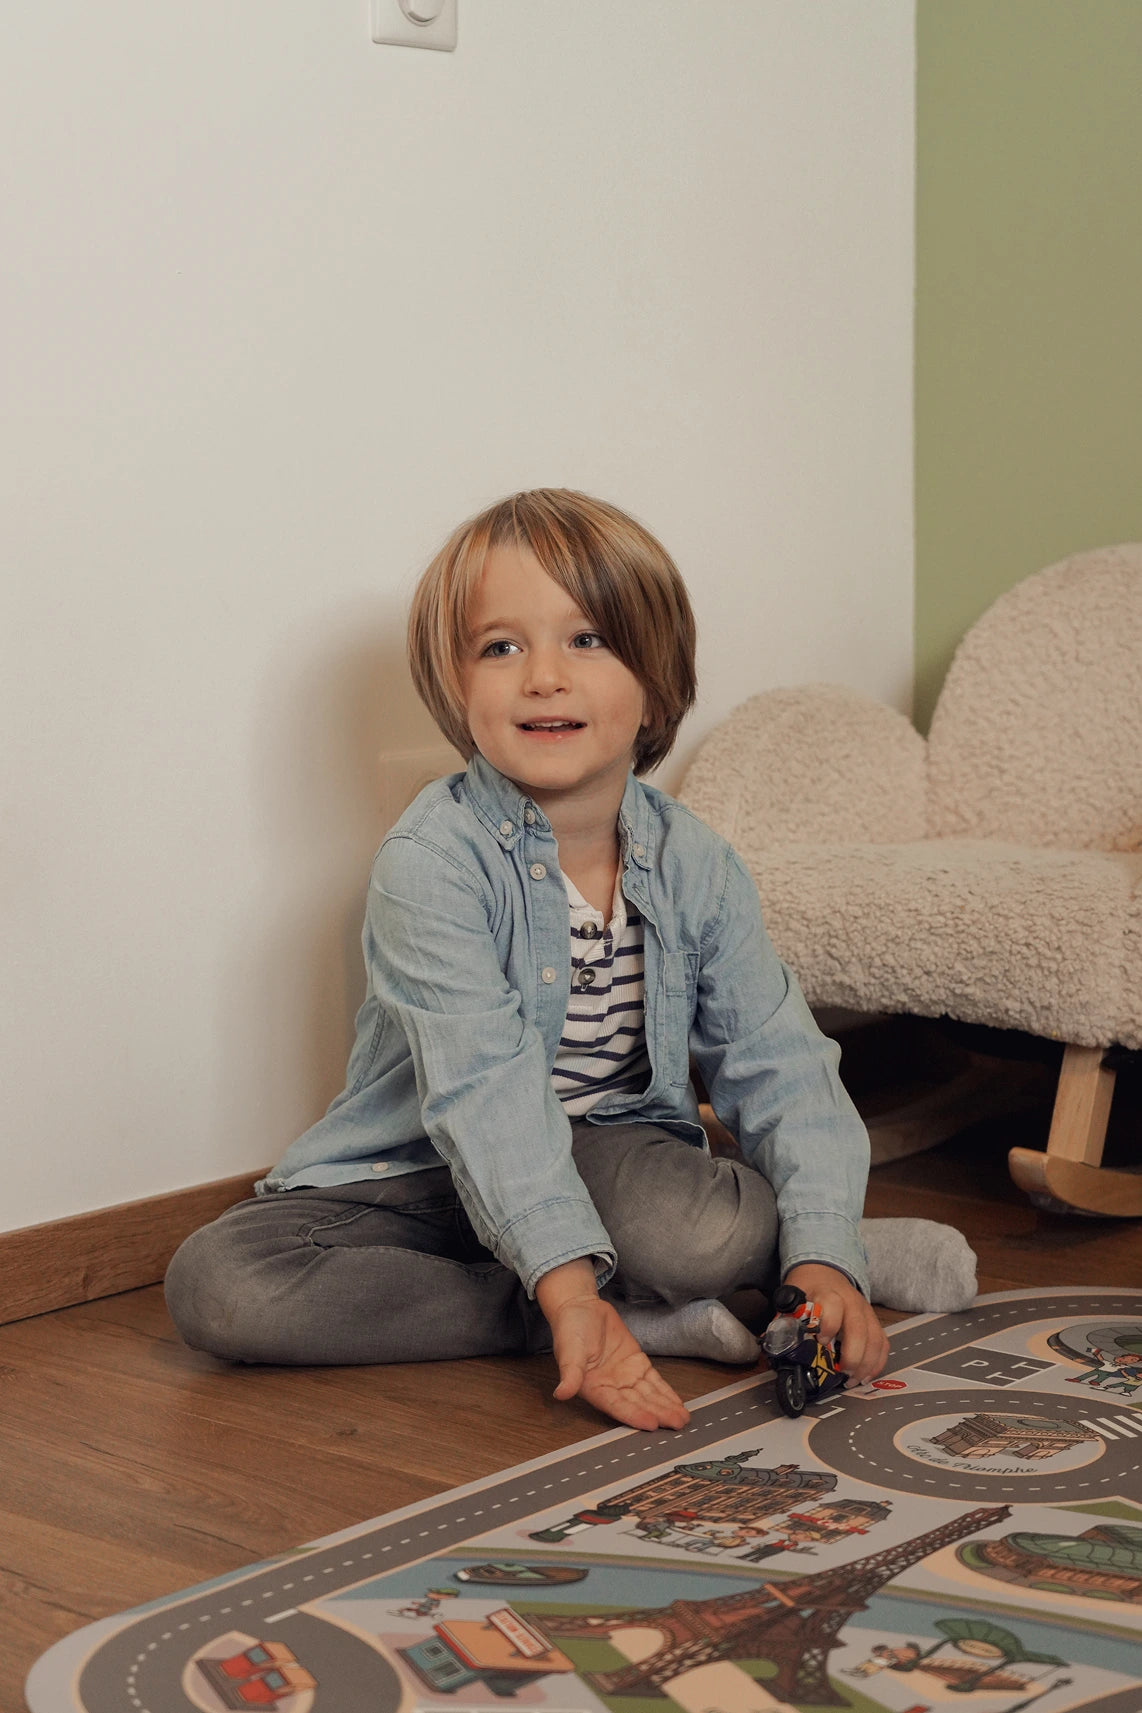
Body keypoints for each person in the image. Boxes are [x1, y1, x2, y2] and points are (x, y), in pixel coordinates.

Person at [166, 489, 974, 1432]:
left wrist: (825, 1254)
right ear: (455, 684)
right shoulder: (430, 863)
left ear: (656, 681)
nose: (543, 676)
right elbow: (484, 1096)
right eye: (500, 646)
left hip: (606, 1157)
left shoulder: (697, 865)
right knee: (218, 1286)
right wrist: (564, 1289)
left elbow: (782, 1063)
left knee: (708, 1228)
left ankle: (819, 1252)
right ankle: (597, 1309)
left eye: (587, 639)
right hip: (422, 1167)